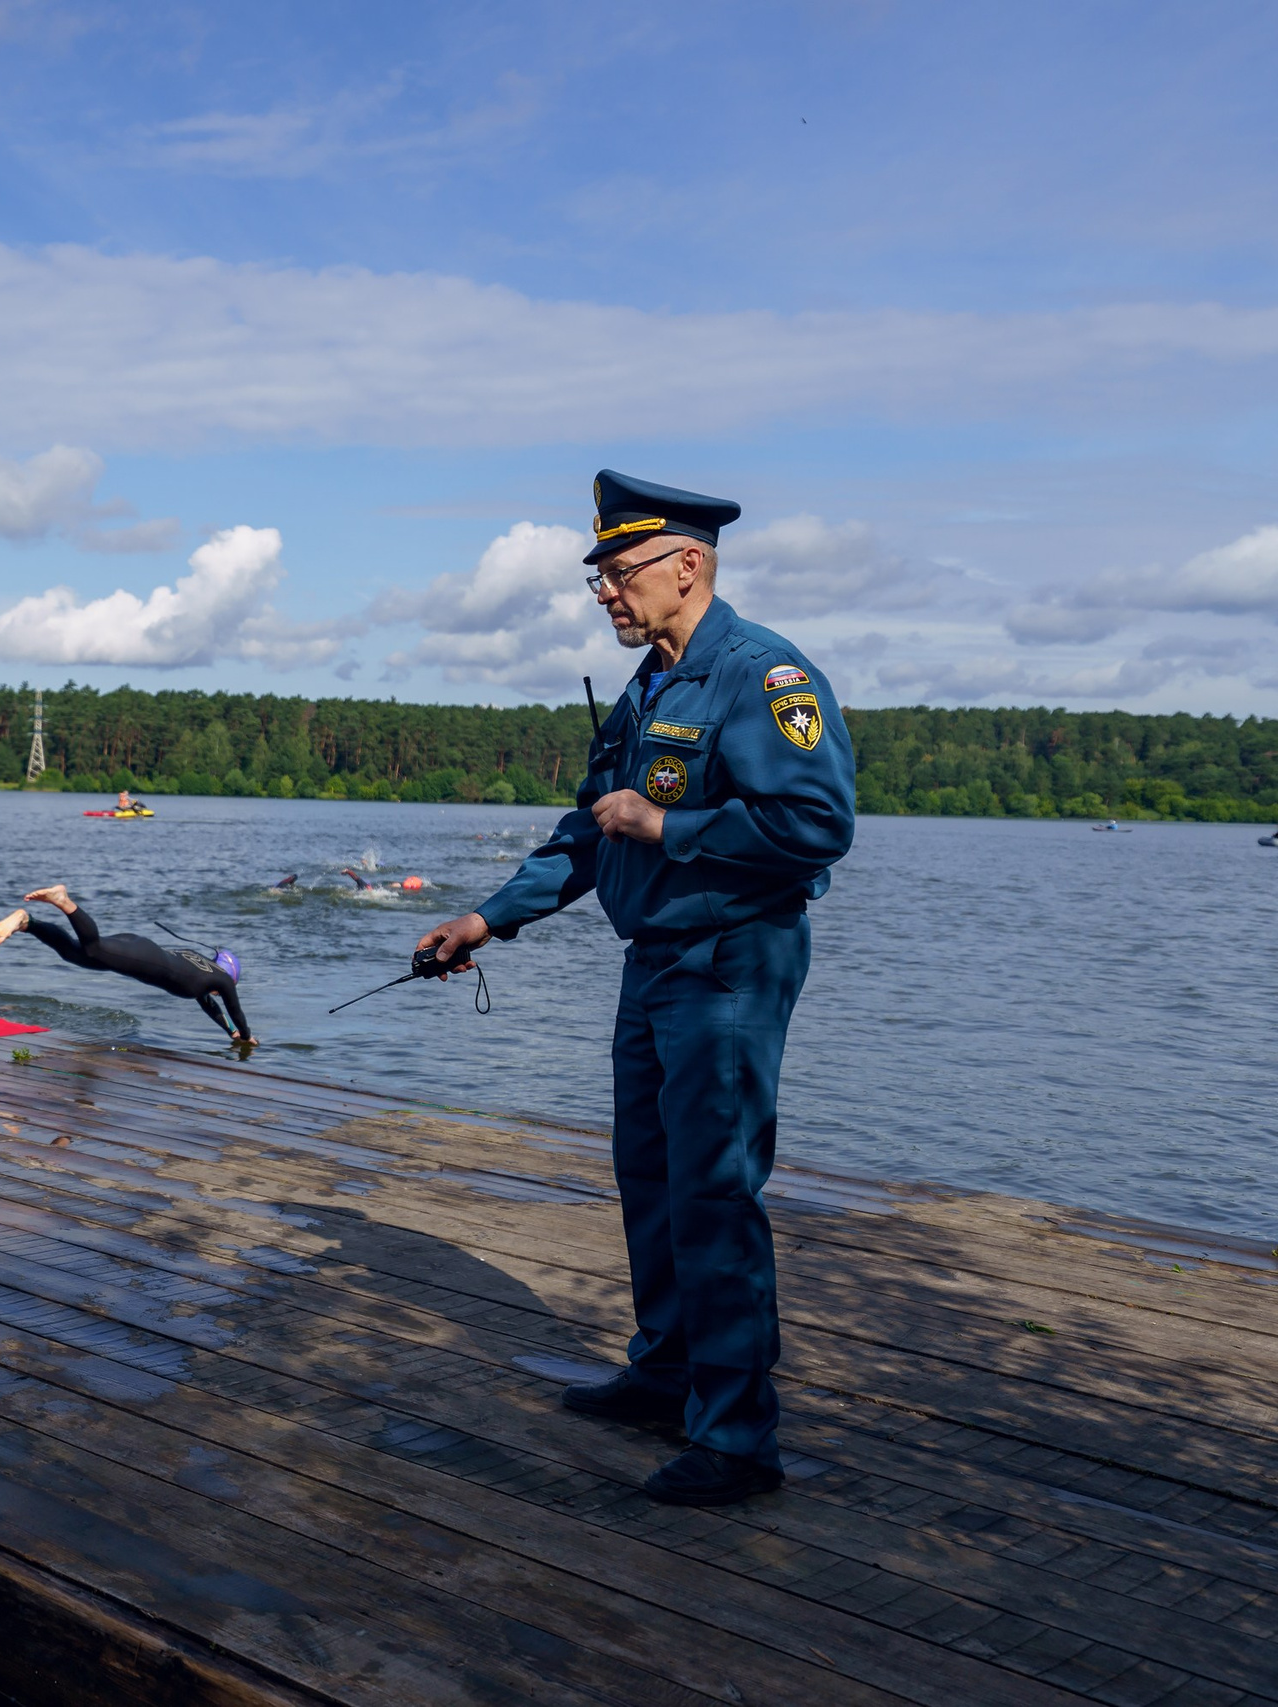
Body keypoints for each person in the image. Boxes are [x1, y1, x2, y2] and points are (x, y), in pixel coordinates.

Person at [415, 471, 854, 1507]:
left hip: (730, 964)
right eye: (600, 579)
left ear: (686, 565)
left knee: (713, 1188)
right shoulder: (649, 685)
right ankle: (667, 1374)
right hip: (651, 960)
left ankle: (738, 1439)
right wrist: (486, 918)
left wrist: (671, 829)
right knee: (651, 1179)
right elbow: (586, 828)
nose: (606, 593)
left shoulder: (764, 678)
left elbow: (815, 828)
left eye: (618, 574)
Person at [0, 885, 252, 1045]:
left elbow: (210, 1006)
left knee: (75, 954)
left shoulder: (201, 970)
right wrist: (246, 1034)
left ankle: (28, 923)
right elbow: (235, 1011)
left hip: (139, 947)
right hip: (143, 958)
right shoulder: (222, 979)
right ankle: (64, 901)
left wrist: (231, 1033)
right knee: (94, 948)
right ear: (230, 973)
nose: (219, 991)